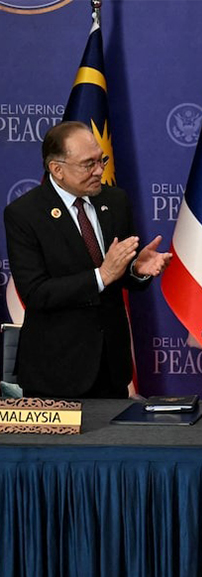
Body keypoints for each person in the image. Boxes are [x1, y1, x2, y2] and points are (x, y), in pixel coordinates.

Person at [4, 121, 172, 399]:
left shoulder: (115, 201)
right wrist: (101, 276)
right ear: (57, 169)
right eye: (87, 164)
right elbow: (36, 293)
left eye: (100, 160)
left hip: (112, 367)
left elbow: (120, 277)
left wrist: (137, 269)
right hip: (56, 371)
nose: (98, 170)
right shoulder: (25, 214)